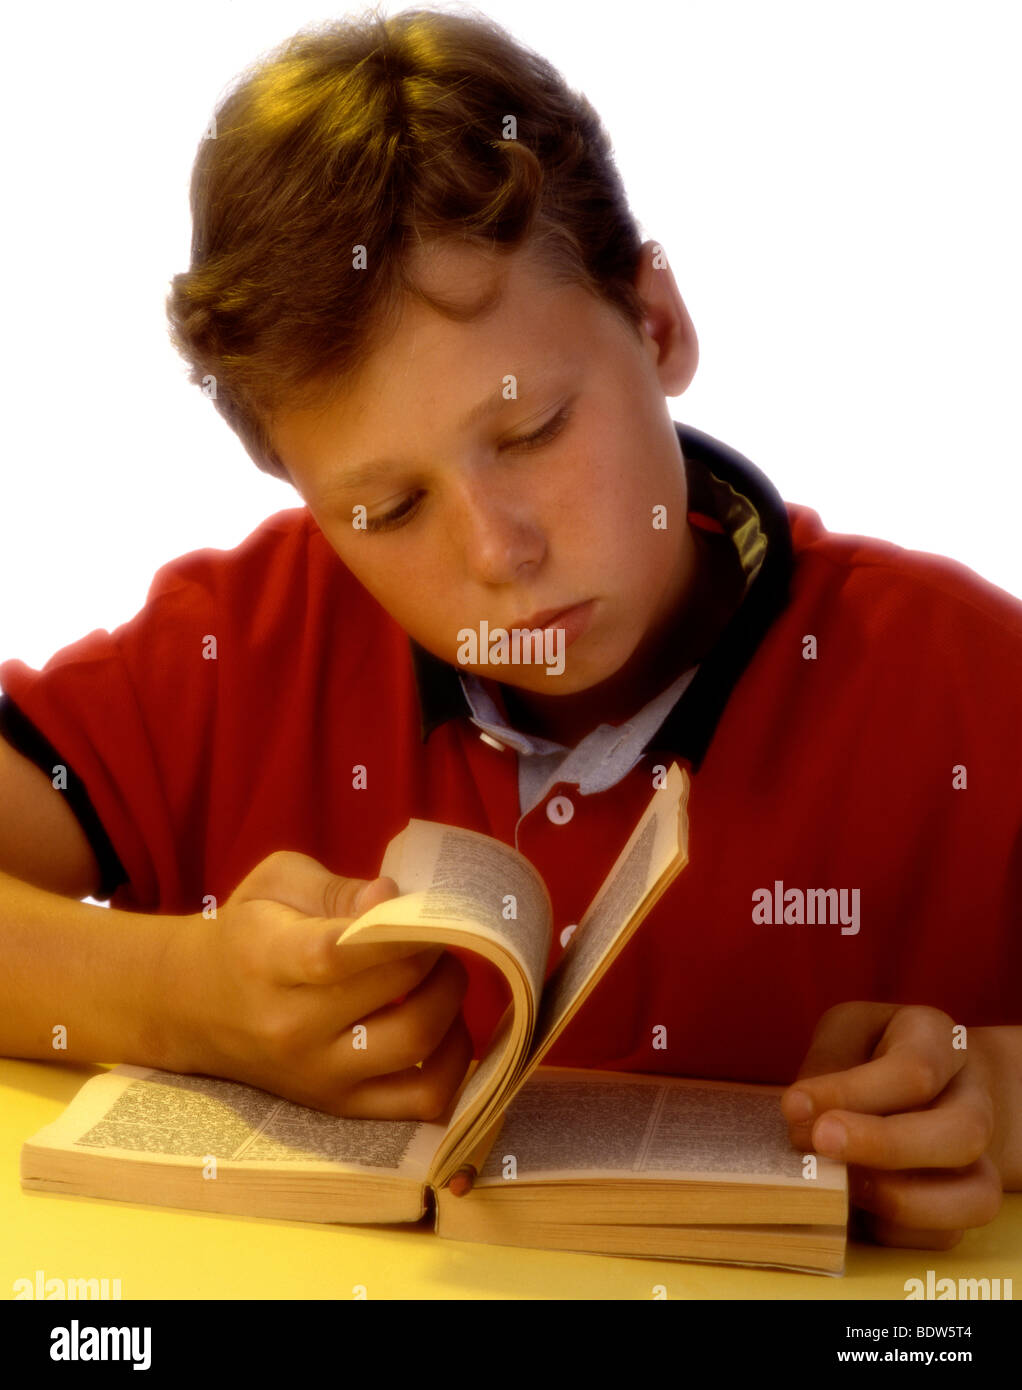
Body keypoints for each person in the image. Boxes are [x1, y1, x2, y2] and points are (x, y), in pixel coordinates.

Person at [0, 8, 1019, 1252]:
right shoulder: (247, 639)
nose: (496, 555)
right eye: (386, 508)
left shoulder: (968, 684)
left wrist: (998, 1100)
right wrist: (181, 995)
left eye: (533, 430)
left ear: (655, 323)